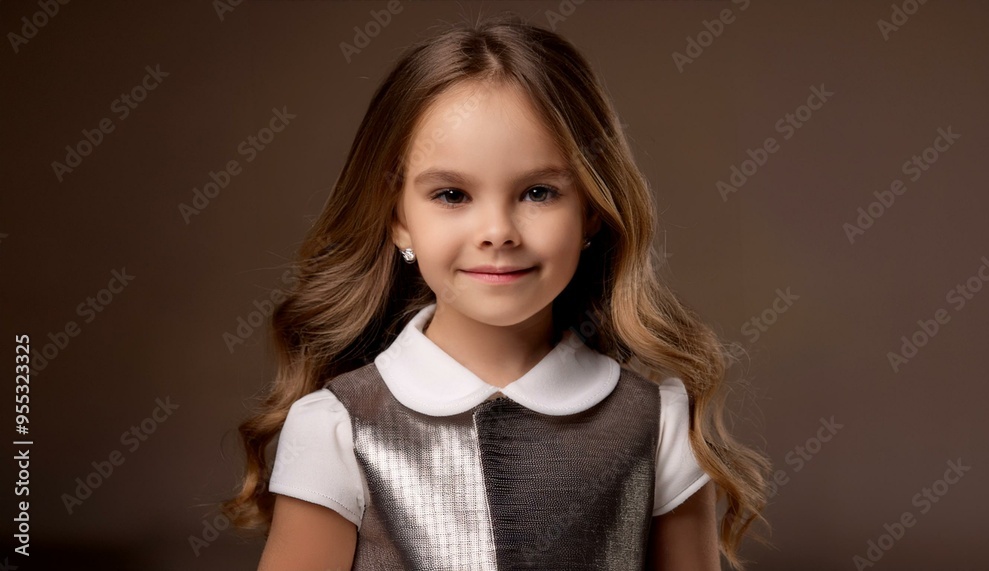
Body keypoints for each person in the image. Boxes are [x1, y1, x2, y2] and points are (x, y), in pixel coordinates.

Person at [223, 11, 771, 570]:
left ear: (590, 213)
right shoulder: (337, 427)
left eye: (537, 192)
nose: (498, 232)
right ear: (398, 219)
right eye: (452, 195)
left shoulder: (657, 424)